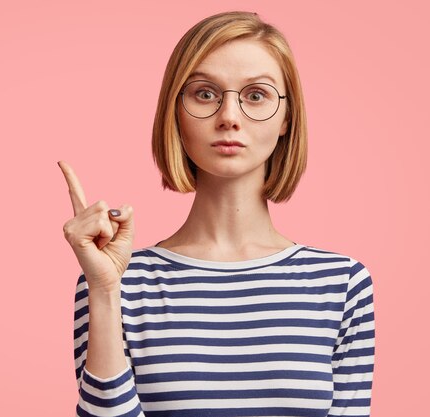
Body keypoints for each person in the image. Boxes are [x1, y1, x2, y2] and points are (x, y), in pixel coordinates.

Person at [59, 11, 375, 417]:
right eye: (205, 93)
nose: (229, 117)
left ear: (286, 118)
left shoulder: (342, 283)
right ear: (176, 110)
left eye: (256, 95)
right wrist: (104, 292)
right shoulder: (115, 282)